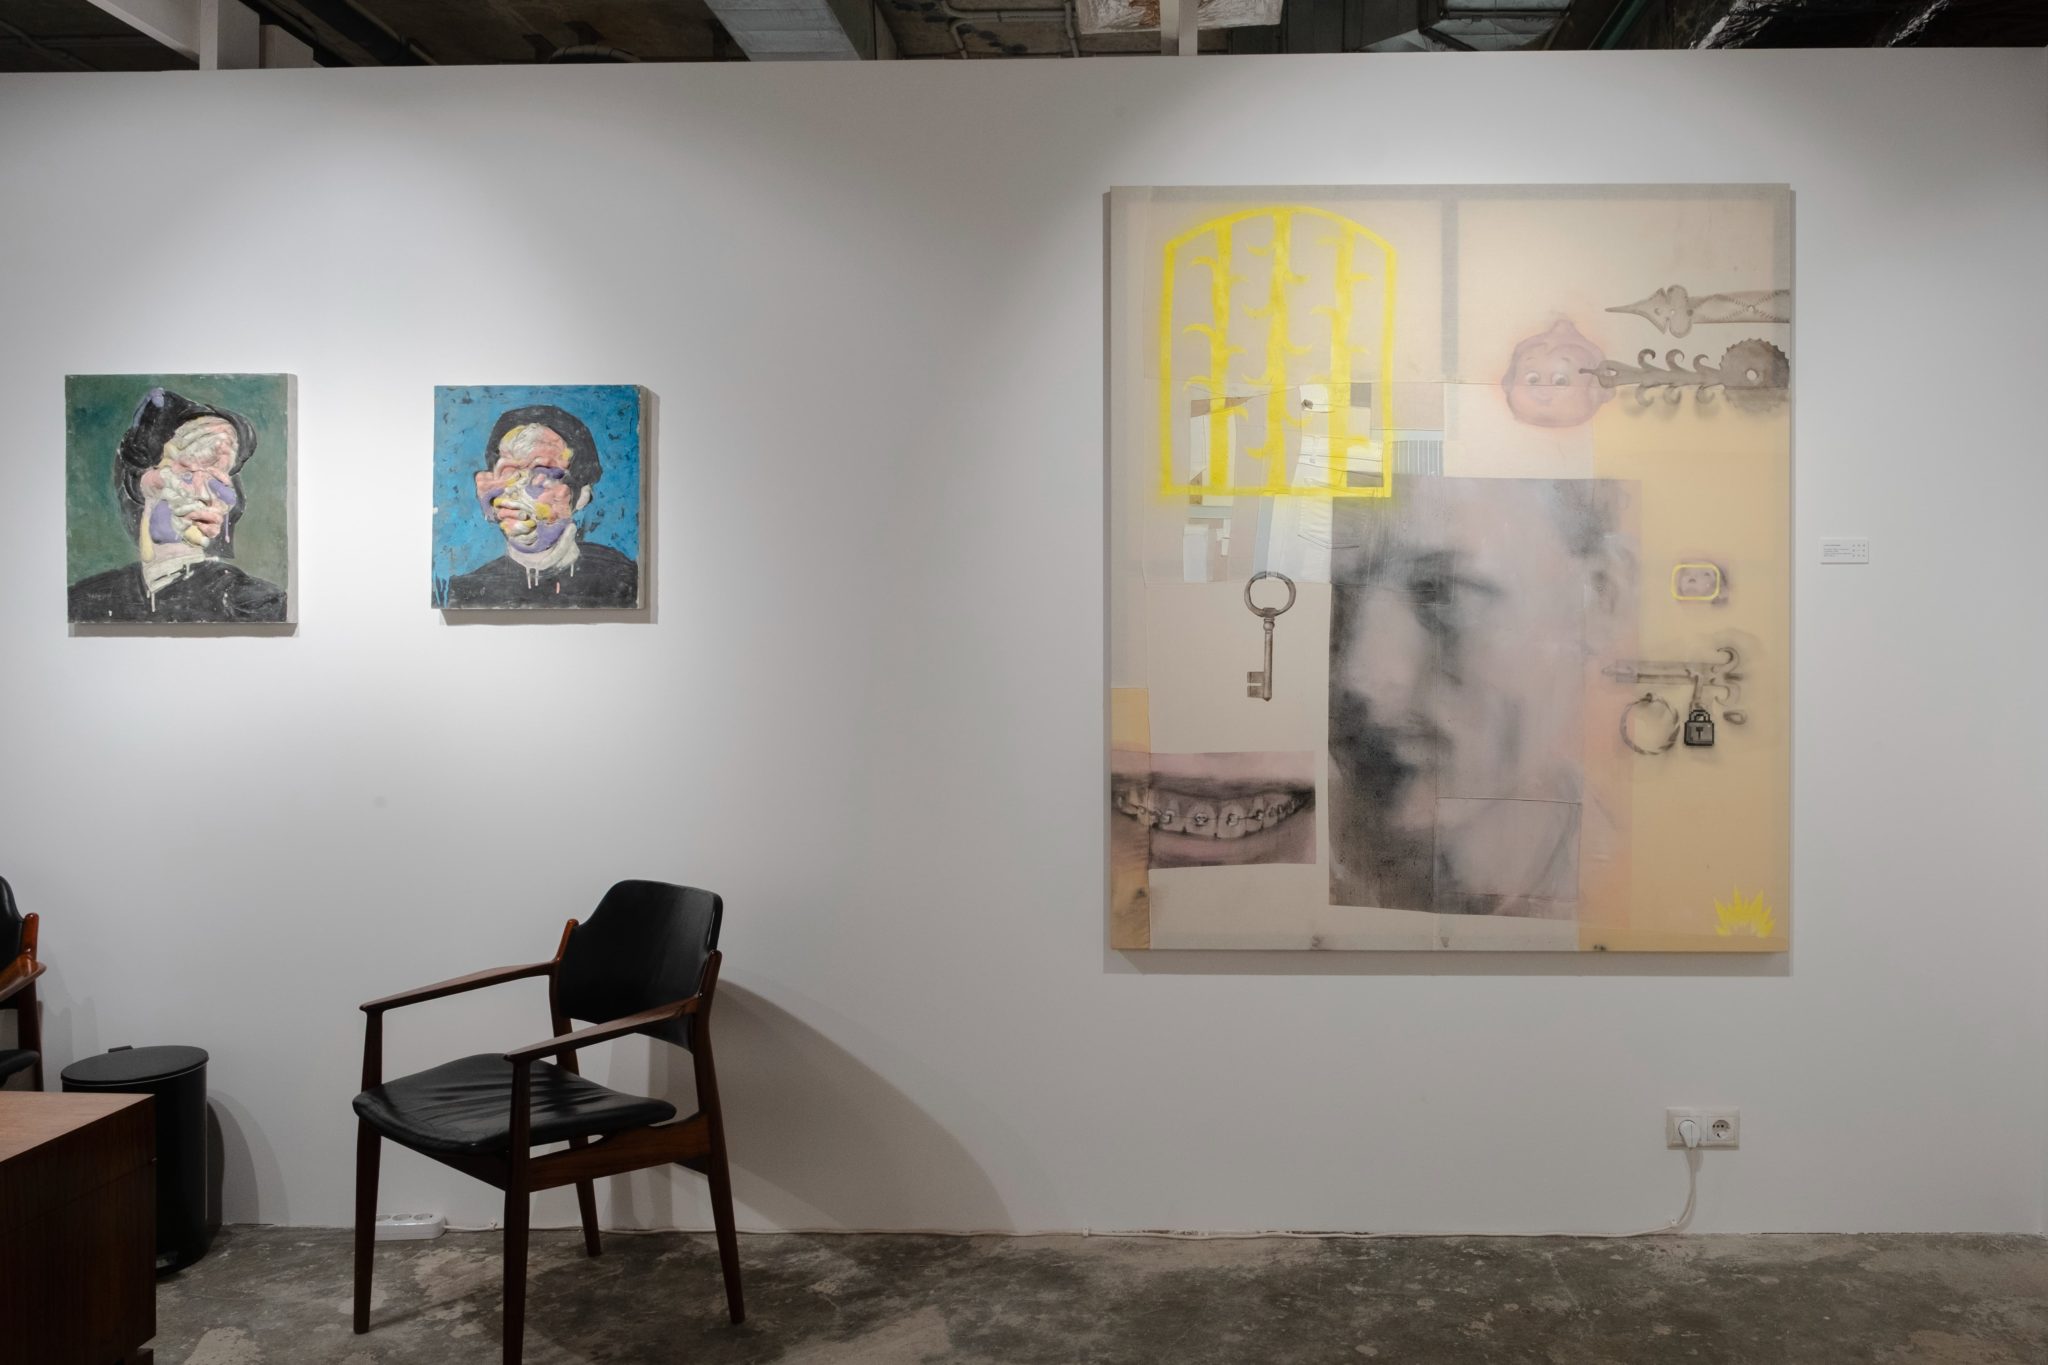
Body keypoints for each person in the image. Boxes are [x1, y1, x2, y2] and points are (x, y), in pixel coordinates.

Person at [1326, 476, 1632, 917]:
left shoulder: (1638, 886)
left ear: (1600, 598)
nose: (1357, 678)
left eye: (1442, 592)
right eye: (1332, 602)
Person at [67, 388, 286, 622]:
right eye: (187, 472)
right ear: (144, 483)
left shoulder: (255, 604)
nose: (203, 494)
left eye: (216, 478)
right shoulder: (85, 600)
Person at [441, 404, 638, 609]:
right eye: (507, 473)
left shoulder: (622, 580)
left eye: (541, 474)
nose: (515, 490)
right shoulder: (469, 591)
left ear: (581, 495)